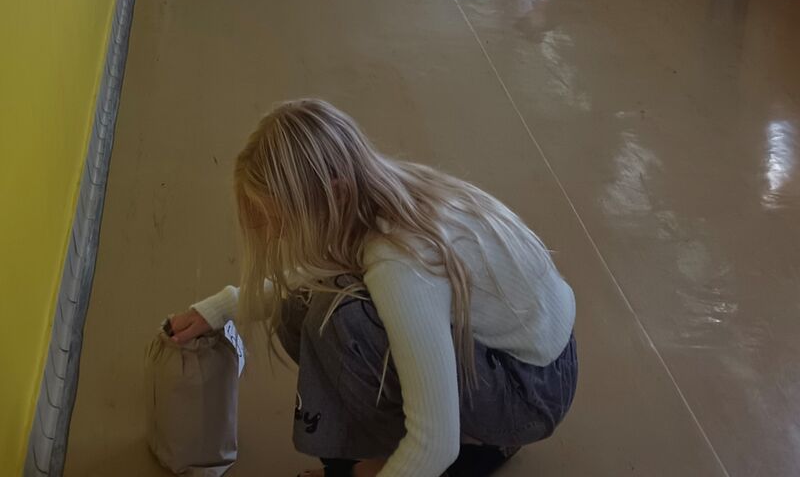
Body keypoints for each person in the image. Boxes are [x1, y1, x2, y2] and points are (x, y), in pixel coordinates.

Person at [169, 99, 578, 477]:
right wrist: (225, 306)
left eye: (285, 223)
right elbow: (312, 273)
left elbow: (435, 442)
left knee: (340, 322)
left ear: (335, 194)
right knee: (302, 307)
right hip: (531, 359)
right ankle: (462, 436)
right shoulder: (382, 191)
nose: (277, 236)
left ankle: (482, 441)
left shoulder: (400, 264)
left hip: (529, 393)